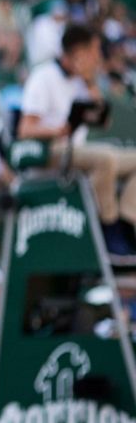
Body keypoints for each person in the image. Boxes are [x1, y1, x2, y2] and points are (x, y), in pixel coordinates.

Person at [17, 24, 136, 257]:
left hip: (77, 150)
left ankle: (126, 221)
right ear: (79, 52)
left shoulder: (82, 80)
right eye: (94, 51)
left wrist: (90, 82)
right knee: (106, 160)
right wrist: (56, 130)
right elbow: (25, 128)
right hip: (51, 151)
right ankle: (107, 227)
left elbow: (104, 121)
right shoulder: (43, 76)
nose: (98, 57)